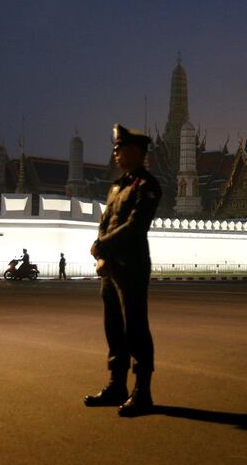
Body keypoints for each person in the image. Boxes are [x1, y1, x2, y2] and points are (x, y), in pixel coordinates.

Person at [85, 124, 162, 417]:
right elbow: (106, 222)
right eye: (115, 148)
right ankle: (116, 384)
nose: (115, 153)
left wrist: (101, 246)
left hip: (132, 266)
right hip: (111, 268)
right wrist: (101, 252)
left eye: (120, 148)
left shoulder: (147, 186)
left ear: (136, 151)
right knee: (113, 328)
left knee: (135, 328)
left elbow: (135, 226)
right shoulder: (116, 187)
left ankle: (143, 391)